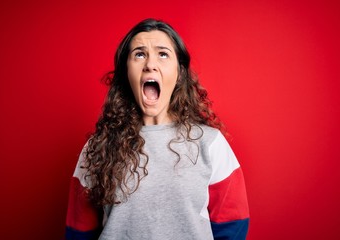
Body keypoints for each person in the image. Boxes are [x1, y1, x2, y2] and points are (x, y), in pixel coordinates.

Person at [65, 18, 249, 240]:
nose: (150, 64)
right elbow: (79, 230)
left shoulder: (210, 144)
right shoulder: (98, 147)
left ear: (179, 72)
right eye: (139, 54)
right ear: (126, 73)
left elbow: (233, 224)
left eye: (163, 54)